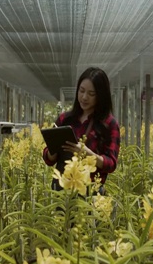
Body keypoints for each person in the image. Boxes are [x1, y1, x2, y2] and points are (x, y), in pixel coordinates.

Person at [42, 67, 120, 195]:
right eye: (81, 91)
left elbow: (111, 164)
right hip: (63, 190)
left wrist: (88, 154)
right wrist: (53, 150)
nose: (84, 97)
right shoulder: (65, 119)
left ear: (101, 95)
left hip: (90, 192)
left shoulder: (109, 124)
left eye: (91, 94)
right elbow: (48, 158)